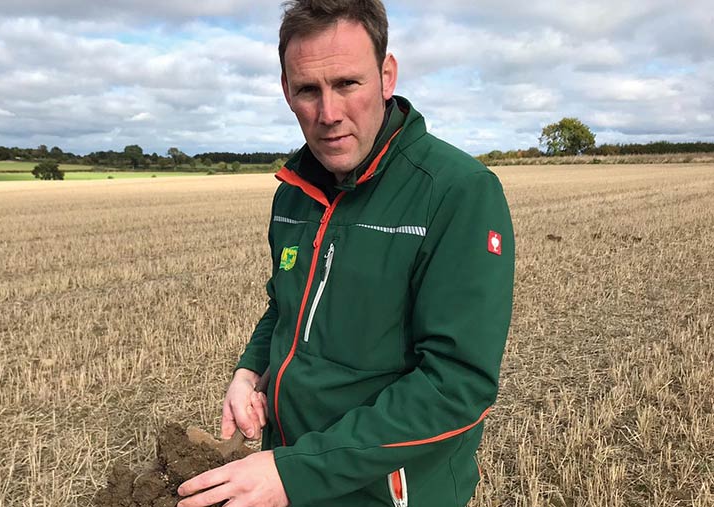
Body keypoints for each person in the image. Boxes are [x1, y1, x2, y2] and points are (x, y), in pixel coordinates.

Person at [178, 0, 515, 505]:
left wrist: (295, 473)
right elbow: (285, 306)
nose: (328, 114)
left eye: (347, 84)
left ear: (386, 75)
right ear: (286, 91)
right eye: (308, 90)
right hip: (288, 472)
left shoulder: (457, 192)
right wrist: (249, 372)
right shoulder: (293, 193)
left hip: (386, 492)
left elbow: (455, 385)